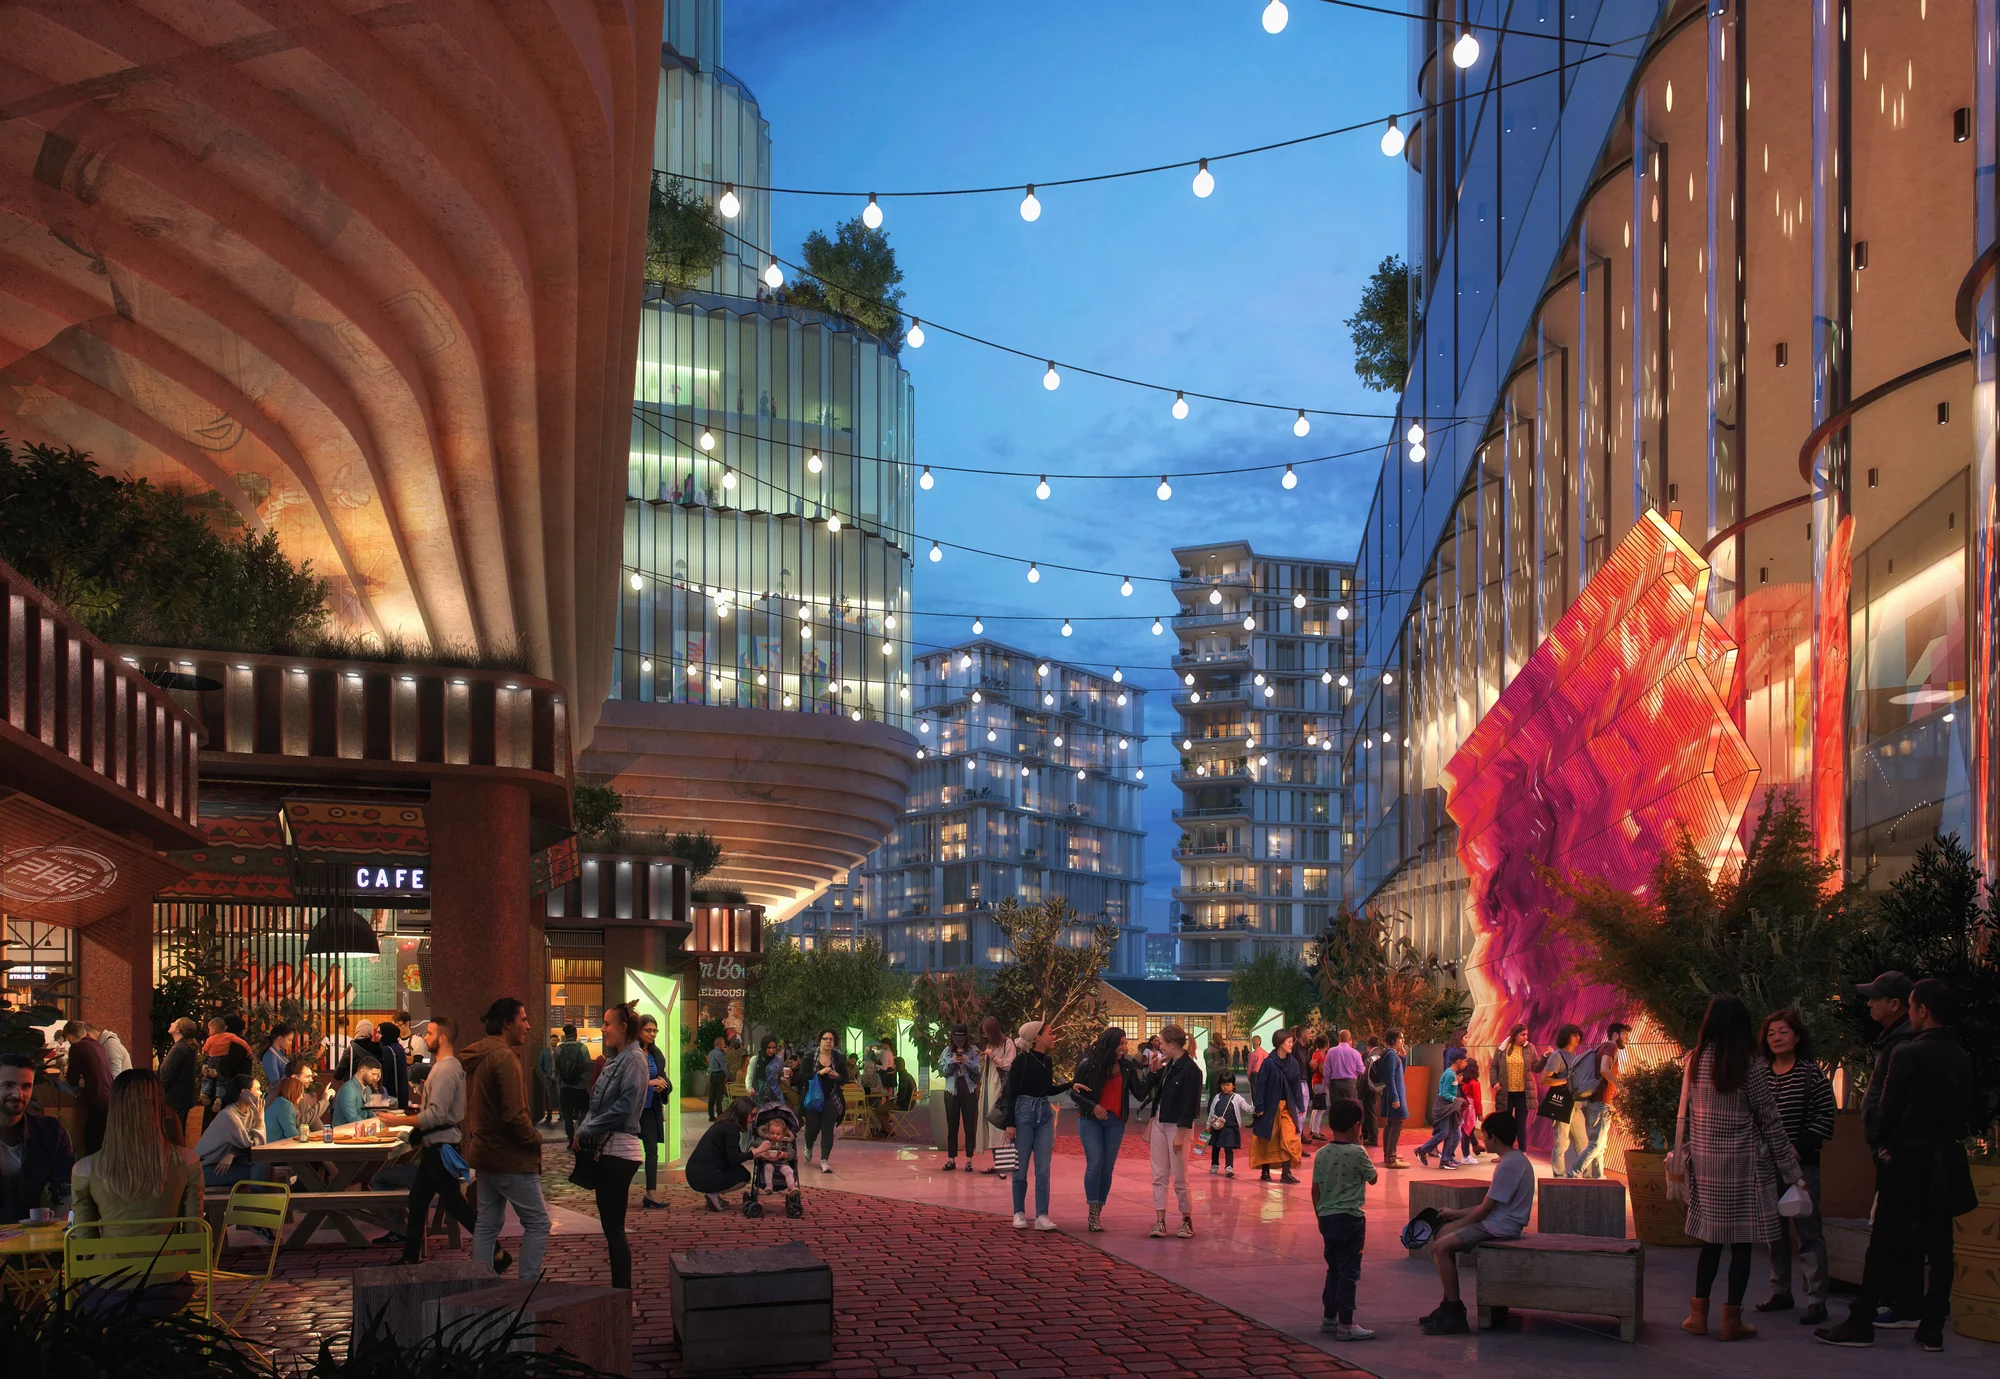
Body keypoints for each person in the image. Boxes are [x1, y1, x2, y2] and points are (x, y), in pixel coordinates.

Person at [1817, 977, 1975, 1351]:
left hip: (1906, 1159)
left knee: (1884, 1240)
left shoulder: (1907, 1053)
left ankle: (1861, 1322)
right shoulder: (1961, 1056)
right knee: (1940, 1245)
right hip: (1945, 1159)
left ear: (1921, 1010)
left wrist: (1880, 1141)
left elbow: (1886, 1111)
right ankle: (1931, 1327)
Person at [1678, 993, 1809, 1342]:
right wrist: (1793, 1174)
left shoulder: (1694, 1060)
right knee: (1740, 1245)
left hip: (1705, 1165)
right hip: (1743, 1165)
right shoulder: (1749, 1065)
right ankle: (1731, 1321)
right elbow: (1771, 1122)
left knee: (1710, 1242)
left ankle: (1697, 1316)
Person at [69, 1069, 204, 1316]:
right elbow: (194, 1238)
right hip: (168, 1290)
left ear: (114, 1111)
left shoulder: (85, 1169)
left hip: (108, 1292)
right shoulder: (188, 1162)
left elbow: (85, 1248)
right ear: (159, 1108)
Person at [1754, 1007, 1836, 1325]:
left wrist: (1797, 1150)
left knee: (1808, 1231)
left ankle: (1816, 1299)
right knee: (1775, 1233)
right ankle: (1781, 1292)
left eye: (1783, 1032)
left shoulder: (1811, 1074)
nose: (1776, 1037)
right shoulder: (1759, 1075)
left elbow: (1825, 1118)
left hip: (1803, 1167)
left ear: (1797, 1037)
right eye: (1771, 1033)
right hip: (1766, 1165)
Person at [1420, 1111, 1535, 1335]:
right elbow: (1490, 1205)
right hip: (1497, 1222)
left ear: (1495, 1138)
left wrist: (1456, 1224)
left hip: (1500, 1227)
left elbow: (1486, 1209)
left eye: (1485, 1137)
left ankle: (1454, 1312)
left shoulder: (1509, 1165)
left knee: (1439, 1247)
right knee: (1441, 1235)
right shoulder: (1514, 1160)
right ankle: (1447, 1306)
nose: (1483, 1141)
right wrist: (1455, 1214)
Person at [376, 1017, 478, 1263]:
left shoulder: (445, 1070)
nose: (425, 1037)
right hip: (438, 1145)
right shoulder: (445, 1068)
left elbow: (436, 1114)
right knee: (420, 1200)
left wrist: (397, 1120)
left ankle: (495, 1250)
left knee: (453, 1204)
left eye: (430, 1033)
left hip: (440, 1147)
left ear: (442, 1038)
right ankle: (410, 1256)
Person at [464, 997, 549, 1281]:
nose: (528, 1025)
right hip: (510, 1157)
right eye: (523, 1019)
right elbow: (515, 1115)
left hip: (486, 1154)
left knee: (487, 1224)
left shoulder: (483, 1055)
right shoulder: (504, 1058)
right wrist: (534, 1139)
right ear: (507, 1023)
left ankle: (480, 1285)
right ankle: (527, 1287)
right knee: (538, 1223)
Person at [574, 1002, 646, 1290]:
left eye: (607, 1023)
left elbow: (624, 1107)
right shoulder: (617, 1058)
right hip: (609, 1148)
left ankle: (622, 1295)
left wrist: (588, 1128)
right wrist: (585, 1128)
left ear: (623, 1027)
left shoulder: (635, 1059)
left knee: (614, 1228)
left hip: (619, 1150)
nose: (602, 1029)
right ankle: (620, 1293)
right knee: (610, 1227)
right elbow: (599, 1102)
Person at [1313, 1097, 1378, 1340]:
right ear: (1356, 1126)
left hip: (1327, 1219)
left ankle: (1329, 1318)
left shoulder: (1321, 1153)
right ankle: (1347, 1324)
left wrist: (1320, 1216)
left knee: (1333, 1269)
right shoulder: (1358, 1152)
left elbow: (1315, 1190)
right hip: (1351, 1219)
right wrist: (1360, 1147)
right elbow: (1373, 1178)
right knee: (1349, 1271)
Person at [1068, 1026, 1136, 1231]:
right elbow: (1074, 1093)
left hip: (1115, 1121)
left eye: (1125, 1043)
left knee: (1107, 1168)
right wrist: (1094, 1106)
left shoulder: (1127, 1067)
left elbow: (1140, 1093)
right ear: (1111, 1045)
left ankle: (1098, 1210)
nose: (1125, 1047)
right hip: (1090, 1119)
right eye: (1121, 1043)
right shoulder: (1088, 1065)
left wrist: (1154, 1073)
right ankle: (1092, 1211)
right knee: (1095, 1163)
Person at [999, 1020, 1064, 1231]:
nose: (1053, 1036)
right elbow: (1011, 1092)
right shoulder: (1021, 1061)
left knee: (1043, 1169)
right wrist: (1010, 1123)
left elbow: (1048, 1089)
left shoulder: (1047, 1060)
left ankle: (1042, 1216)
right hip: (1024, 1113)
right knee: (1020, 1168)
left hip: (1044, 1114)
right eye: (1050, 1032)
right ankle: (1019, 1213)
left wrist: (1072, 1085)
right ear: (1037, 1037)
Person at [1146, 1024, 1203, 1240]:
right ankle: (1160, 1220)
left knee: (1179, 1175)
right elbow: (1151, 1092)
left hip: (1178, 1126)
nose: (1159, 1047)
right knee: (1158, 1174)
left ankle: (1186, 1219)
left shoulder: (1191, 1070)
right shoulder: (1167, 1066)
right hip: (1160, 1123)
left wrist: (1181, 1132)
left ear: (1172, 1044)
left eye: (1161, 1042)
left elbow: (1190, 1104)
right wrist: (1154, 1070)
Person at [0, 1052, 73, 1220]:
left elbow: (66, 1191)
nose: (18, 1094)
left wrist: (59, 1231)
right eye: (8, 1085)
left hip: (31, 1237)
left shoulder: (49, 1132)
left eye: (26, 1086)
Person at [1572, 1021, 1628, 1178]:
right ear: (1615, 1035)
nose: (1627, 1039)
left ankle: (1598, 1177)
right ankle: (1574, 1174)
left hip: (1597, 1101)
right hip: (1602, 1102)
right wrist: (1621, 1086)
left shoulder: (1601, 1047)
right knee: (1596, 1144)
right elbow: (1604, 1069)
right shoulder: (1611, 1046)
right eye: (1625, 1036)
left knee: (1600, 1145)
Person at [194, 1076, 270, 1189]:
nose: (260, 1093)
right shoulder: (229, 1116)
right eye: (257, 1089)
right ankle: (258, 1202)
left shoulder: (250, 1112)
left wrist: (232, 1154)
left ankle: (258, 1201)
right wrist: (260, 1119)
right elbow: (255, 1147)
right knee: (256, 1172)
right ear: (244, 1092)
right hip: (204, 1169)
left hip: (224, 1162)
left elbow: (256, 1149)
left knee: (261, 1163)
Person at [790, 1029, 847, 1173]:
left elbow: (845, 1079)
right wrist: (818, 1073)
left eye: (831, 1039)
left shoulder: (838, 1058)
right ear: (819, 1040)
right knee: (812, 1129)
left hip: (831, 1098)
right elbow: (801, 1077)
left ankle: (824, 1160)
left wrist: (837, 1077)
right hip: (813, 1099)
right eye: (825, 1039)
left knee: (828, 1129)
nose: (828, 1042)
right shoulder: (810, 1057)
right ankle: (808, 1146)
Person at [687, 1096, 757, 1210]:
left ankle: (713, 1194)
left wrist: (757, 1154)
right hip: (702, 1175)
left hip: (696, 1172)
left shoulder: (724, 1124)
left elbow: (735, 1153)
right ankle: (713, 1193)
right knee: (744, 1176)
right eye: (752, 1115)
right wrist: (755, 1152)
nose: (753, 1119)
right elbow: (734, 1158)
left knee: (739, 1170)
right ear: (742, 1113)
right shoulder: (731, 1130)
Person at [1539, 1024, 1590, 1177]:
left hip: (1575, 1105)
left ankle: (1586, 1174)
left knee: (1583, 1142)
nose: (1578, 1038)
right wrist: (1566, 1080)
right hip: (1561, 1104)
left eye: (1579, 1035)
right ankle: (1559, 1175)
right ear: (1566, 1036)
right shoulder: (1557, 1056)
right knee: (1561, 1142)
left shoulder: (1575, 1056)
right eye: (1575, 1035)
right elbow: (1544, 1080)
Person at [60, 1020, 113, 1154]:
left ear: (70, 1037)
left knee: (92, 1143)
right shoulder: (98, 1045)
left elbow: (72, 1080)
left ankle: (89, 1173)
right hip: (110, 1097)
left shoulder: (77, 1048)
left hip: (95, 1100)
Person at [637, 1015, 672, 1210]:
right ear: (638, 1031)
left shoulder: (656, 1054)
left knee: (652, 1151)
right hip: (631, 1109)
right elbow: (627, 1081)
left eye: (654, 1030)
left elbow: (663, 1077)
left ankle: (651, 1192)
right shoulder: (630, 1053)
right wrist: (649, 1083)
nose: (651, 1034)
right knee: (627, 1153)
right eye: (647, 1030)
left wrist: (663, 1085)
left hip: (650, 1109)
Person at [974, 1014, 1016, 1172]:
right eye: (983, 1033)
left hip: (1000, 1091)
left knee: (1000, 1128)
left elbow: (1010, 1065)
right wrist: (983, 1061)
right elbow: (983, 1071)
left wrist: (994, 1058)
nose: (985, 1035)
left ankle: (1006, 1166)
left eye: (987, 1032)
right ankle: (997, 1163)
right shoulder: (989, 1045)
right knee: (989, 1126)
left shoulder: (1008, 1044)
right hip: (987, 1090)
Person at [937, 1024, 981, 1172]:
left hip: (968, 1089)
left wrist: (966, 1061)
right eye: (957, 1040)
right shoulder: (947, 1051)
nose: (959, 1043)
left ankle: (969, 1160)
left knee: (970, 1126)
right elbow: (942, 1071)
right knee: (952, 1125)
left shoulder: (973, 1050)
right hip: (951, 1091)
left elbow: (979, 1069)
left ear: (966, 1037)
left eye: (962, 1040)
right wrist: (952, 1062)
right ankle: (951, 1159)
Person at [1415, 1055, 1467, 1169]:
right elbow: (1444, 1093)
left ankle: (1445, 1159)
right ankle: (1422, 1150)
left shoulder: (1451, 1073)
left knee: (1453, 1133)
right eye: (1465, 1061)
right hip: (1444, 1107)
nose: (1466, 1064)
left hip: (1449, 1107)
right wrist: (1455, 1100)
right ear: (1458, 1061)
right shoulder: (1450, 1074)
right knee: (1444, 1132)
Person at [157, 1018, 202, 1141]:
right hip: (181, 1099)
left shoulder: (178, 1049)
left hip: (174, 1100)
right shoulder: (186, 1047)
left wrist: (157, 1093)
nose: (171, 1023)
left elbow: (166, 1075)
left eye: (175, 1023)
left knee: (172, 1135)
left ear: (178, 1029)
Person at [1489, 1023, 1541, 1130]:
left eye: (1526, 1034)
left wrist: (1545, 1058)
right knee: (1505, 1124)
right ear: (1515, 1035)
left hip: (1522, 1093)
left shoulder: (1530, 1048)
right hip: (1505, 1092)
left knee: (1521, 1125)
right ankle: (1505, 1146)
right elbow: (1494, 1067)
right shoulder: (1502, 1048)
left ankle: (1522, 1147)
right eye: (1523, 1034)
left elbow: (1536, 1068)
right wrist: (1494, 1082)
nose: (1526, 1037)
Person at [1373, 1029, 1409, 1167]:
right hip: (1394, 1094)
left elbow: (1400, 1073)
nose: (1403, 1041)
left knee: (1391, 1123)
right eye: (1401, 1038)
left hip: (1395, 1094)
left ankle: (1389, 1153)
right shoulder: (1390, 1055)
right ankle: (1391, 1158)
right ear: (1393, 1040)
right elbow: (1390, 1078)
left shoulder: (1393, 1055)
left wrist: (1404, 1057)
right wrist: (1395, 1098)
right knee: (1396, 1124)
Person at [554, 1023, 592, 1147]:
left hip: (565, 1087)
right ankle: (579, 1135)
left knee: (567, 1115)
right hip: (580, 1087)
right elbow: (587, 1066)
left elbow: (557, 1068)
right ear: (575, 1034)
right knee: (585, 1109)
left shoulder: (558, 1049)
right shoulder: (583, 1048)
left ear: (565, 1036)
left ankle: (570, 1140)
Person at [1207, 1072, 1251, 1176]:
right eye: (1223, 1085)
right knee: (1215, 1146)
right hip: (1217, 1126)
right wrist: (1208, 1125)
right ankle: (1214, 1164)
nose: (1225, 1087)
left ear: (1233, 1085)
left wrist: (1255, 1109)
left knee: (1228, 1146)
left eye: (1228, 1085)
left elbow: (1246, 1106)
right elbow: (1212, 1112)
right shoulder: (1217, 1097)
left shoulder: (1237, 1097)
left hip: (1230, 1126)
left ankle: (1229, 1167)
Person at [330, 1057, 382, 1125]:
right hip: (343, 1132)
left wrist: (380, 1120)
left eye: (377, 1075)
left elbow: (370, 1113)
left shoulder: (368, 1089)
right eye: (373, 1074)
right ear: (363, 1071)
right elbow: (353, 1118)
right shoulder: (348, 1089)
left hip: (359, 1130)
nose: (375, 1078)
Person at [1323, 1030, 1364, 1115]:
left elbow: (1326, 1071)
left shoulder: (1331, 1051)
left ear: (1339, 1039)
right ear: (1350, 1039)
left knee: (1337, 1111)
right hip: (1349, 1084)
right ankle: (1350, 1127)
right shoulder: (1355, 1053)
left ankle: (1338, 1127)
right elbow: (1361, 1070)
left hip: (1335, 1084)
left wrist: (1328, 1084)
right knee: (1352, 1110)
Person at [376, 1020, 410, 1111]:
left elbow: (386, 1076)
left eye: (379, 1033)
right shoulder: (399, 1047)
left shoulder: (386, 1050)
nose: (376, 1035)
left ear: (386, 1033)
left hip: (391, 1097)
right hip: (401, 1095)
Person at [264, 1074, 307, 1142]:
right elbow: (291, 1133)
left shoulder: (278, 1102)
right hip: (275, 1148)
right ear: (294, 1091)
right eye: (300, 1093)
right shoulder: (286, 1105)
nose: (302, 1097)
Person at [749, 1035, 784, 1110]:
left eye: (774, 1048)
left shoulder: (779, 1060)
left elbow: (781, 1078)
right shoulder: (755, 1060)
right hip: (759, 1098)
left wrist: (787, 1077)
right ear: (764, 1047)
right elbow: (749, 1077)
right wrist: (749, 1088)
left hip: (775, 1098)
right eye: (769, 1047)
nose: (771, 1050)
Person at [260, 1023, 294, 1091]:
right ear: (280, 1038)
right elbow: (275, 1082)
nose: (291, 1043)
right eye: (289, 1040)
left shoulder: (279, 1053)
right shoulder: (270, 1056)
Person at [704, 1036, 729, 1122]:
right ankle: (719, 1114)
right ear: (720, 1043)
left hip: (712, 1075)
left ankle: (711, 1115)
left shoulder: (711, 1053)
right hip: (719, 1075)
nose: (724, 1045)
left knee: (712, 1096)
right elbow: (723, 1065)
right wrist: (726, 1075)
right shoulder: (719, 1054)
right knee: (719, 1096)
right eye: (723, 1043)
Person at [536, 1032, 559, 1126]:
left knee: (559, 1095)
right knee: (548, 1096)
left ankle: (561, 1115)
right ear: (550, 1041)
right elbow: (540, 1065)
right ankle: (549, 1115)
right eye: (552, 1040)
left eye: (555, 1040)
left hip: (557, 1076)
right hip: (548, 1077)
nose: (554, 1041)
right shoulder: (544, 1052)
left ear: (558, 1041)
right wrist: (544, 1074)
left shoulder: (560, 1051)